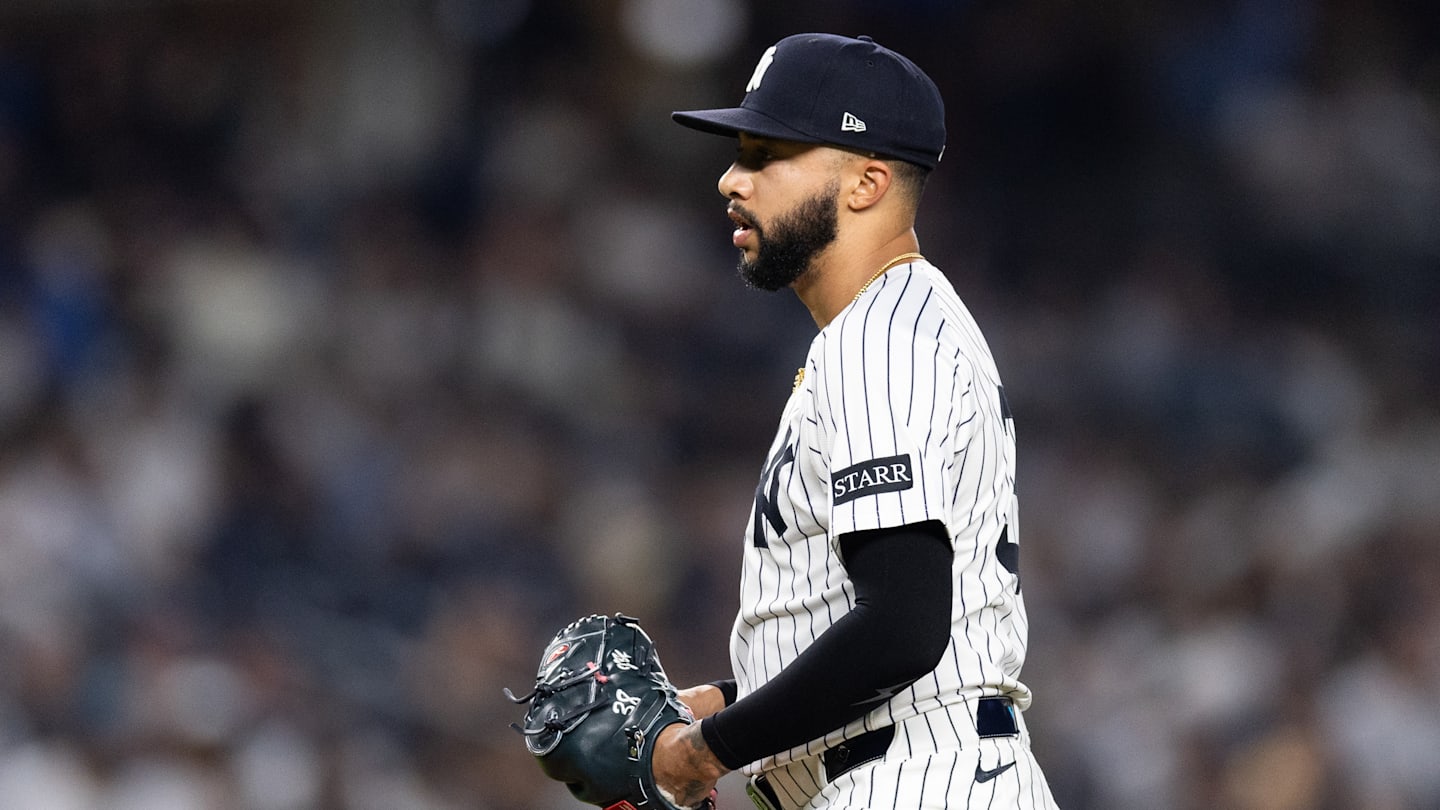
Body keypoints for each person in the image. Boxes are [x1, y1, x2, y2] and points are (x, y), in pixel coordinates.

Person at [651, 33, 1060, 810]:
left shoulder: (884, 339)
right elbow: (881, 619)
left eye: (767, 154)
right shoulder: (885, 329)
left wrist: (704, 754)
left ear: (867, 182)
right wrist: (726, 702)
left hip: (917, 781)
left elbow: (903, 625)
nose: (731, 180)